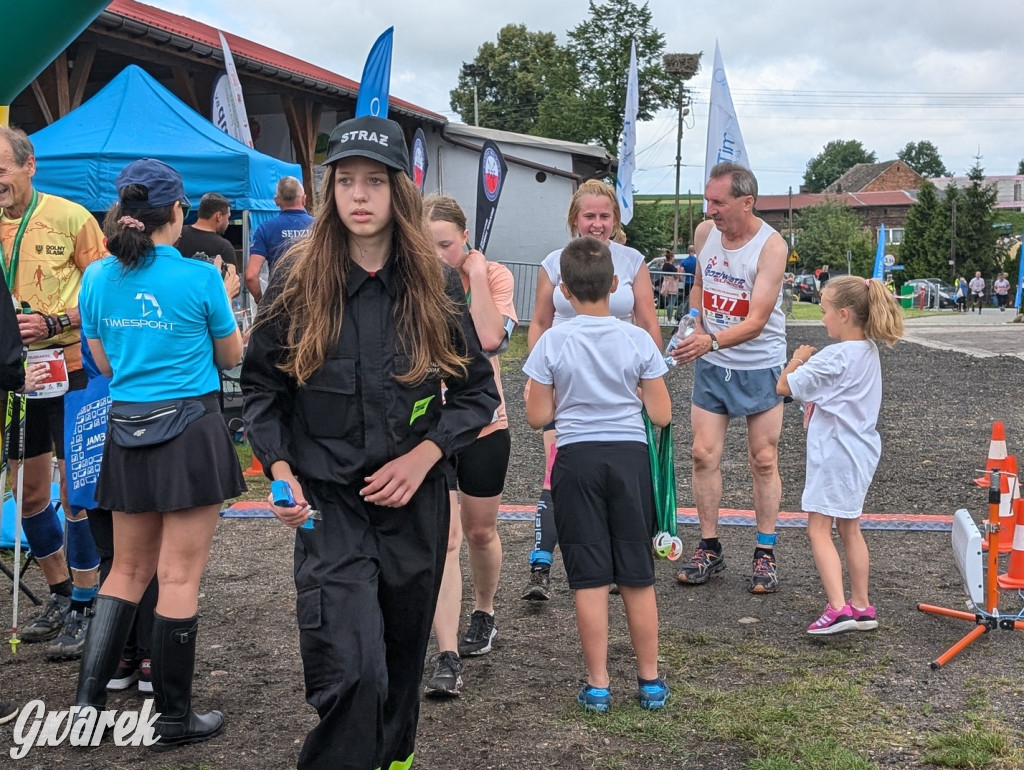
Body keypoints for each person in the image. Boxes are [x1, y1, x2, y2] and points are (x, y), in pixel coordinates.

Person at [239, 116, 498, 770]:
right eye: (345, 181)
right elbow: (263, 391)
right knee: (352, 671)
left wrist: (425, 455)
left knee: (401, 669)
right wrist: (279, 471)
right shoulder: (298, 280)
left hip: (413, 510)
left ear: (398, 193)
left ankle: (393, 758)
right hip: (330, 508)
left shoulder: (434, 285)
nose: (359, 195)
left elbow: (476, 394)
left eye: (374, 182)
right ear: (329, 192)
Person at [74, 157, 245, 749]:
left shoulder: (96, 278)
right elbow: (230, 358)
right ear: (178, 211)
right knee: (178, 575)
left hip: (126, 429)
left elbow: (100, 363)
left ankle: (86, 711)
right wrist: (223, 295)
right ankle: (173, 719)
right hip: (190, 428)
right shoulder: (200, 278)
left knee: (123, 570)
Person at [524, 236, 672, 712]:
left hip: (576, 460)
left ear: (563, 291)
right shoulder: (637, 339)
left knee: (588, 576)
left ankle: (599, 685)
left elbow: (536, 415)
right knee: (637, 573)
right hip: (628, 458)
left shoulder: (552, 340)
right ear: (614, 284)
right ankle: (649, 682)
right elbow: (662, 414)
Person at [523, 179, 662, 601]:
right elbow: (540, 323)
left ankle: (621, 566)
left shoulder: (632, 260)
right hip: (564, 378)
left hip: (619, 380)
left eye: (605, 216)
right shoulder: (553, 262)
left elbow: (648, 322)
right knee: (557, 471)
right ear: (574, 219)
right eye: (590, 216)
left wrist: (647, 376)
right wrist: (538, 376)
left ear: (615, 220)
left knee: (616, 475)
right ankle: (542, 561)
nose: (598, 224)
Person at [0, 125, 106, 660]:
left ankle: (91, 602)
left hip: (69, 367)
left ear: (28, 165)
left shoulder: (71, 217)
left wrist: (55, 318)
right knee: (30, 494)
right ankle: (63, 595)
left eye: (1, 168)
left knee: (77, 491)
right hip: (15, 375)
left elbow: (109, 289)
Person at [669, 162, 788, 594]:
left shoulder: (772, 247)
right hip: (713, 360)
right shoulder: (705, 234)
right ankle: (710, 547)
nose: (710, 209)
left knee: (763, 459)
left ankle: (765, 552)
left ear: (746, 201)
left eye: (718, 202)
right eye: (708, 200)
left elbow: (757, 321)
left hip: (758, 362)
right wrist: (696, 322)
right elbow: (699, 284)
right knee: (702, 453)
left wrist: (711, 341)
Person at [421, 194, 517, 698]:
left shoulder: (495, 276)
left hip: (483, 425)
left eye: (446, 245)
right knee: (448, 539)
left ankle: (484, 610)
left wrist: (476, 274)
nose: (437, 256)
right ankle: (446, 651)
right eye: (428, 245)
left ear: (466, 241)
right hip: (429, 434)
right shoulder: (413, 280)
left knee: (481, 534)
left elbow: (489, 340)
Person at [776, 276, 903, 634]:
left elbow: (783, 387)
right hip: (860, 452)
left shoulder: (835, 356)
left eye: (824, 311)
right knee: (850, 527)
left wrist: (796, 360)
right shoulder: (868, 352)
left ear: (844, 314)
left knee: (818, 528)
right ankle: (861, 605)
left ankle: (837, 607)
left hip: (834, 452)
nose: (822, 319)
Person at [244, 176, 314, 303]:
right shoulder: (320, 228)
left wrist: (262, 302)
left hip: (279, 305)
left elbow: (251, 276)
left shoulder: (265, 229)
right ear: (304, 199)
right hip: (313, 302)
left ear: (276, 201)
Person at [175, 192, 238, 272]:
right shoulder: (224, 247)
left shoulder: (177, 235)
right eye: (228, 217)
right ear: (218, 216)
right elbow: (232, 282)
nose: (228, 222)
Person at [678, 244, 698, 320]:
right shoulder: (697, 261)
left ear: (688, 251)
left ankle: (686, 314)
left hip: (687, 282)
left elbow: (681, 272)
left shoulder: (684, 261)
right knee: (695, 299)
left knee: (686, 299)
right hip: (695, 282)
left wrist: (681, 279)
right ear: (694, 251)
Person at [659, 250, 680, 322]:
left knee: (669, 302)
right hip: (672, 286)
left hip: (666, 286)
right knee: (672, 303)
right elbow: (677, 276)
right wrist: (678, 270)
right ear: (671, 257)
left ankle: (669, 318)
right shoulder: (672, 267)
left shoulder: (664, 266)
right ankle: (670, 318)